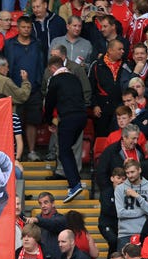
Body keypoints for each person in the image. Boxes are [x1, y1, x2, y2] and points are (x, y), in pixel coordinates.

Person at [43, 55, 87, 202]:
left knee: (63, 151)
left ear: (53, 68)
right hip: (82, 117)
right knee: (67, 149)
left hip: (68, 118)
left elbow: (49, 103)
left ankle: (74, 184)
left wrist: (49, 121)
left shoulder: (55, 80)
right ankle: (74, 181)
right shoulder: (75, 77)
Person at [5, 15, 44, 161]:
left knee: (32, 121)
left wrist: (39, 83)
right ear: (18, 28)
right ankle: (16, 152)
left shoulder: (37, 43)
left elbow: (41, 64)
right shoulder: (9, 44)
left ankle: (32, 151)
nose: (26, 30)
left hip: (34, 89)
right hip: (15, 89)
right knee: (16, 121)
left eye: (28, 27)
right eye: (23, 27)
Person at [115, 159, 148, 251]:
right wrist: (144, 210)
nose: (130, 175)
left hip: (145, 232)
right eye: (127, 173)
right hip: (125, 234)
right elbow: (120, 213)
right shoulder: (119, 189)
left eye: (132, 172)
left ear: (139, 170)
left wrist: (138, 196)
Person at [89, 39, 130, 137]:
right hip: (102, 108)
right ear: (110, 50)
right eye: (119, 49)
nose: (123, 52)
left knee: (119, 135)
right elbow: (90, 88)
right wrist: (94, 105)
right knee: (102, 136)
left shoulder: (126, 64)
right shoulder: (97, 65)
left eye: (123, 49)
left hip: (120, 106)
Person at [24, 192, 67, 259]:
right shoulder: (36, 220)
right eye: (40, 203)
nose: (43, 206)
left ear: (53, 204)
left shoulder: (61, 219)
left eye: (45, 202)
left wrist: (37, 220)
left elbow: (51, 224)